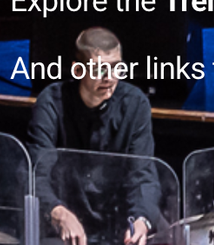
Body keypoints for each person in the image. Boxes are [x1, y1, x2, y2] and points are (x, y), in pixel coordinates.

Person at [28, 28, 161, 245]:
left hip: (116, 223)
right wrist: (58, 212)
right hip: (64, 227)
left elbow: (143, 175)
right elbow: (37, 172)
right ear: (78, 70)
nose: (109, 78)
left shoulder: (135, 104)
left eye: (117, 68)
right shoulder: (51, 103)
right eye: (99, 69)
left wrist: (141, 219)